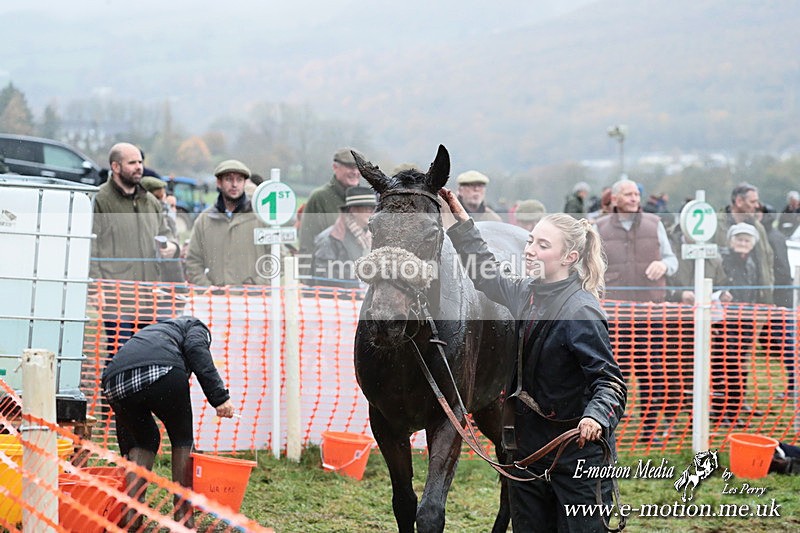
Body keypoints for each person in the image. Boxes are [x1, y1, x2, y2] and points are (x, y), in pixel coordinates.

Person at [439, 188, 626, 532]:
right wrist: (462, 223)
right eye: (531, 241)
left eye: (543, 245)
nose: (529, 250)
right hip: (526, 451)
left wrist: (596, 417)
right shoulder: (527, 291)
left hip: (577, 454)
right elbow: (486, 273)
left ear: (569, 257)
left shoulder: (581, 310)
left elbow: (610, 384)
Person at [101, 316, 234, 527]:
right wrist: (219, 397)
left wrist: (127, 448)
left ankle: (131, 519)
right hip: (162, 370)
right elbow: (196, 349)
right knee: (182, 439)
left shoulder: (151, 334)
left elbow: (126, 426)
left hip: (113, 382)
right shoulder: (195, 327)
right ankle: (184, 521)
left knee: (144, 441)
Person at [596, 178, 677, 442]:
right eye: (628, 194)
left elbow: (672, 259)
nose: (634, 198)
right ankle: (608, 428)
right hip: (615, 316)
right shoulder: (600, 227)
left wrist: (664, 267)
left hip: (650, 314)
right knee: (614, 373)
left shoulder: (655, 224)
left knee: (652, 373)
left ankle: (650, 431)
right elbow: (591, 265)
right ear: (615, 199)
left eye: (636, 194)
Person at [185, 159, 270, 287]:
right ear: (219, 183)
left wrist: (257, 284)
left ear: (245, 183)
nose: (234, 184)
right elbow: (193, 261)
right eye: (229, 179)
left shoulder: (261, 217)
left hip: (255, 301)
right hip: (217, 302)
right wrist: (206, 287)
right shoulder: (204, 220)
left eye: (239, 180)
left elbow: (277, 257)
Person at [298, 147, 365, 255]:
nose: (355, 172)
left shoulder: (367, 198)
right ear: (335, 167)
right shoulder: (319, 198)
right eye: (350, 167)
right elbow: (307, 243)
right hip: (328, 268)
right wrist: (308, 271)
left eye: (358, 167)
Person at [715, 182, 773, 304]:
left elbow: (767, 260)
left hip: (754, 300)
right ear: (739, 201)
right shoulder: (716, 225)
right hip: (723, 301)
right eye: (752, 202)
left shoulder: (759, 228)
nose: (757, 206)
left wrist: (767, 293)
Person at [311, 186, 376, 286]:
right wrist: (357, 281)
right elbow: (323, 278)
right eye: (367, 209)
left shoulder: (372, 237)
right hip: (338, 299)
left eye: (373, 209)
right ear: (353, 210)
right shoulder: (329, 239)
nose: (372, 213)